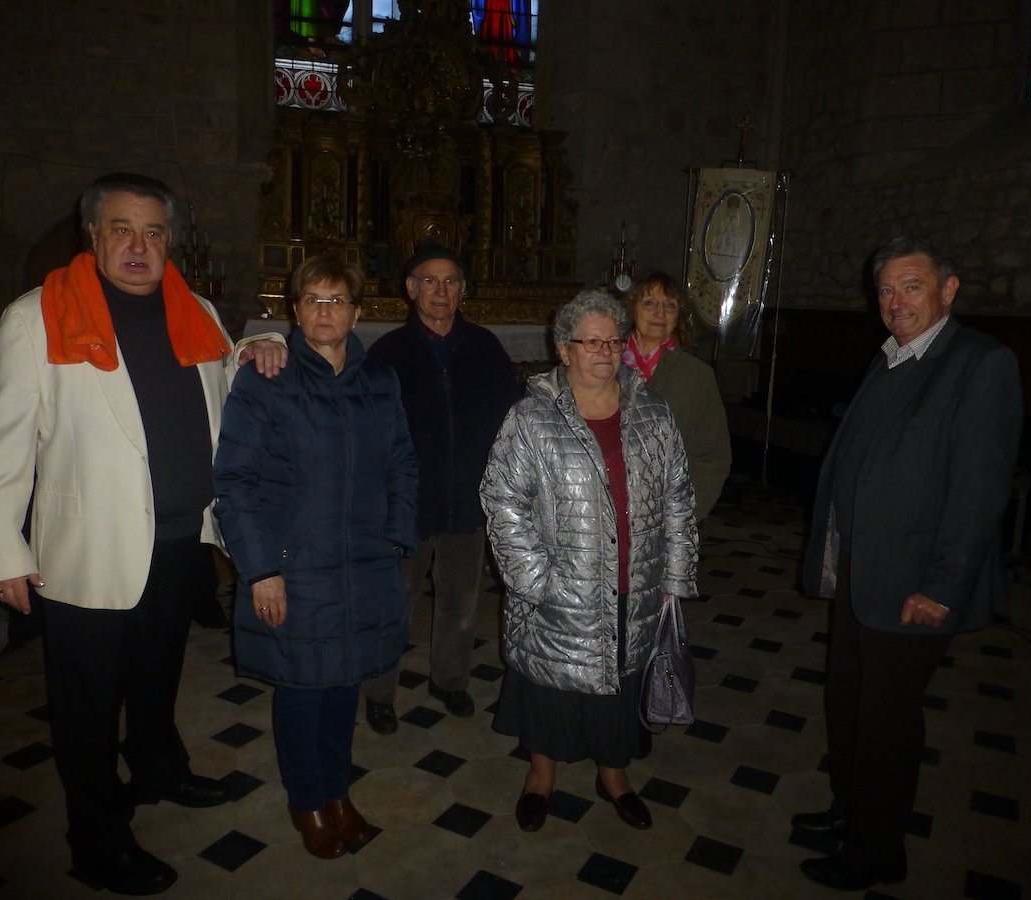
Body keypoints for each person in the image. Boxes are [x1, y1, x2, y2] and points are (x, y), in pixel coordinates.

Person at [0, 172, 286, 896]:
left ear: (169, 241)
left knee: (155, 676)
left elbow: (230, 380)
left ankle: (159, 770)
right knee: (86, 708)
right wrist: (3, 550)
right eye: (122, 229)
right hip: (87, 549)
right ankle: (97, 841)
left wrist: (262, 343)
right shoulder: (37, 316)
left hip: (179, 540)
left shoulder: (196, 310)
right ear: (93, 234)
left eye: (153, 232)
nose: (138, 247)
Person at [794, 237, 1024, 891]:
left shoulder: (980, 364)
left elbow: (979, 492)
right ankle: (849, 811)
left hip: (914, 582)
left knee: (887, 721)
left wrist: (942, 587)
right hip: (862, 570)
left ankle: (877, 850)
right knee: (848, 702)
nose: (896, 302)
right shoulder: (892, 356)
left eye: (912, 286)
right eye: (887, 290)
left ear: (948, 291)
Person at [213, 253, 418, 859]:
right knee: (304, 687)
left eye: (337, 300)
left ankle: (337, 792)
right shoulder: (266, 380)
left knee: (345, 682)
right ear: (295, 311)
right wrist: (261, 569)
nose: (325, 311)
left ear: (356, 311)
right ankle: (306, 800)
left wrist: (397, 538)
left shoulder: (380, 381)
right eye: (313, 300)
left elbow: (403, 464)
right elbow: (235, 482)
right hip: (295, 565)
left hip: (364, 562)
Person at [480, 289, 698, 833]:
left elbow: (677, 495)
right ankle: (541, 774)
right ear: (564, 349)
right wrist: (534, 581)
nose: (605, 351)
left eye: (614, 341)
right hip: (559, 587)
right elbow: (503, 499)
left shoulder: (651, 410)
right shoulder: (532, 417)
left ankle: (614, 773)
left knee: (621, 680)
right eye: (591, 342)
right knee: (549, 683)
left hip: (635, 579)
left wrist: (674, 575)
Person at [361, 240, 518, 733]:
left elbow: (510, 420)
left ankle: (449, 680)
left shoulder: (485, 347)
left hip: (467, 500)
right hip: (406, 504)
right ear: (411, 288)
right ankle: (379, 692)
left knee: (460, 602)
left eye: (450, 281)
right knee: (394, 603)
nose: (440, 291)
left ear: (463, 290)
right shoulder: (388, 352)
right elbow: (370, 432)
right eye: (429, 280)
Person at [623, 271, 731, 522]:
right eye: (649, 303)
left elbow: (714, 454)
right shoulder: (607, 365)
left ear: (678, 316)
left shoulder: (697, 376)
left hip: (668, 515)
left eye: (669, 306)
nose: (659, 313)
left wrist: (689, 511)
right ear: (632, 308)